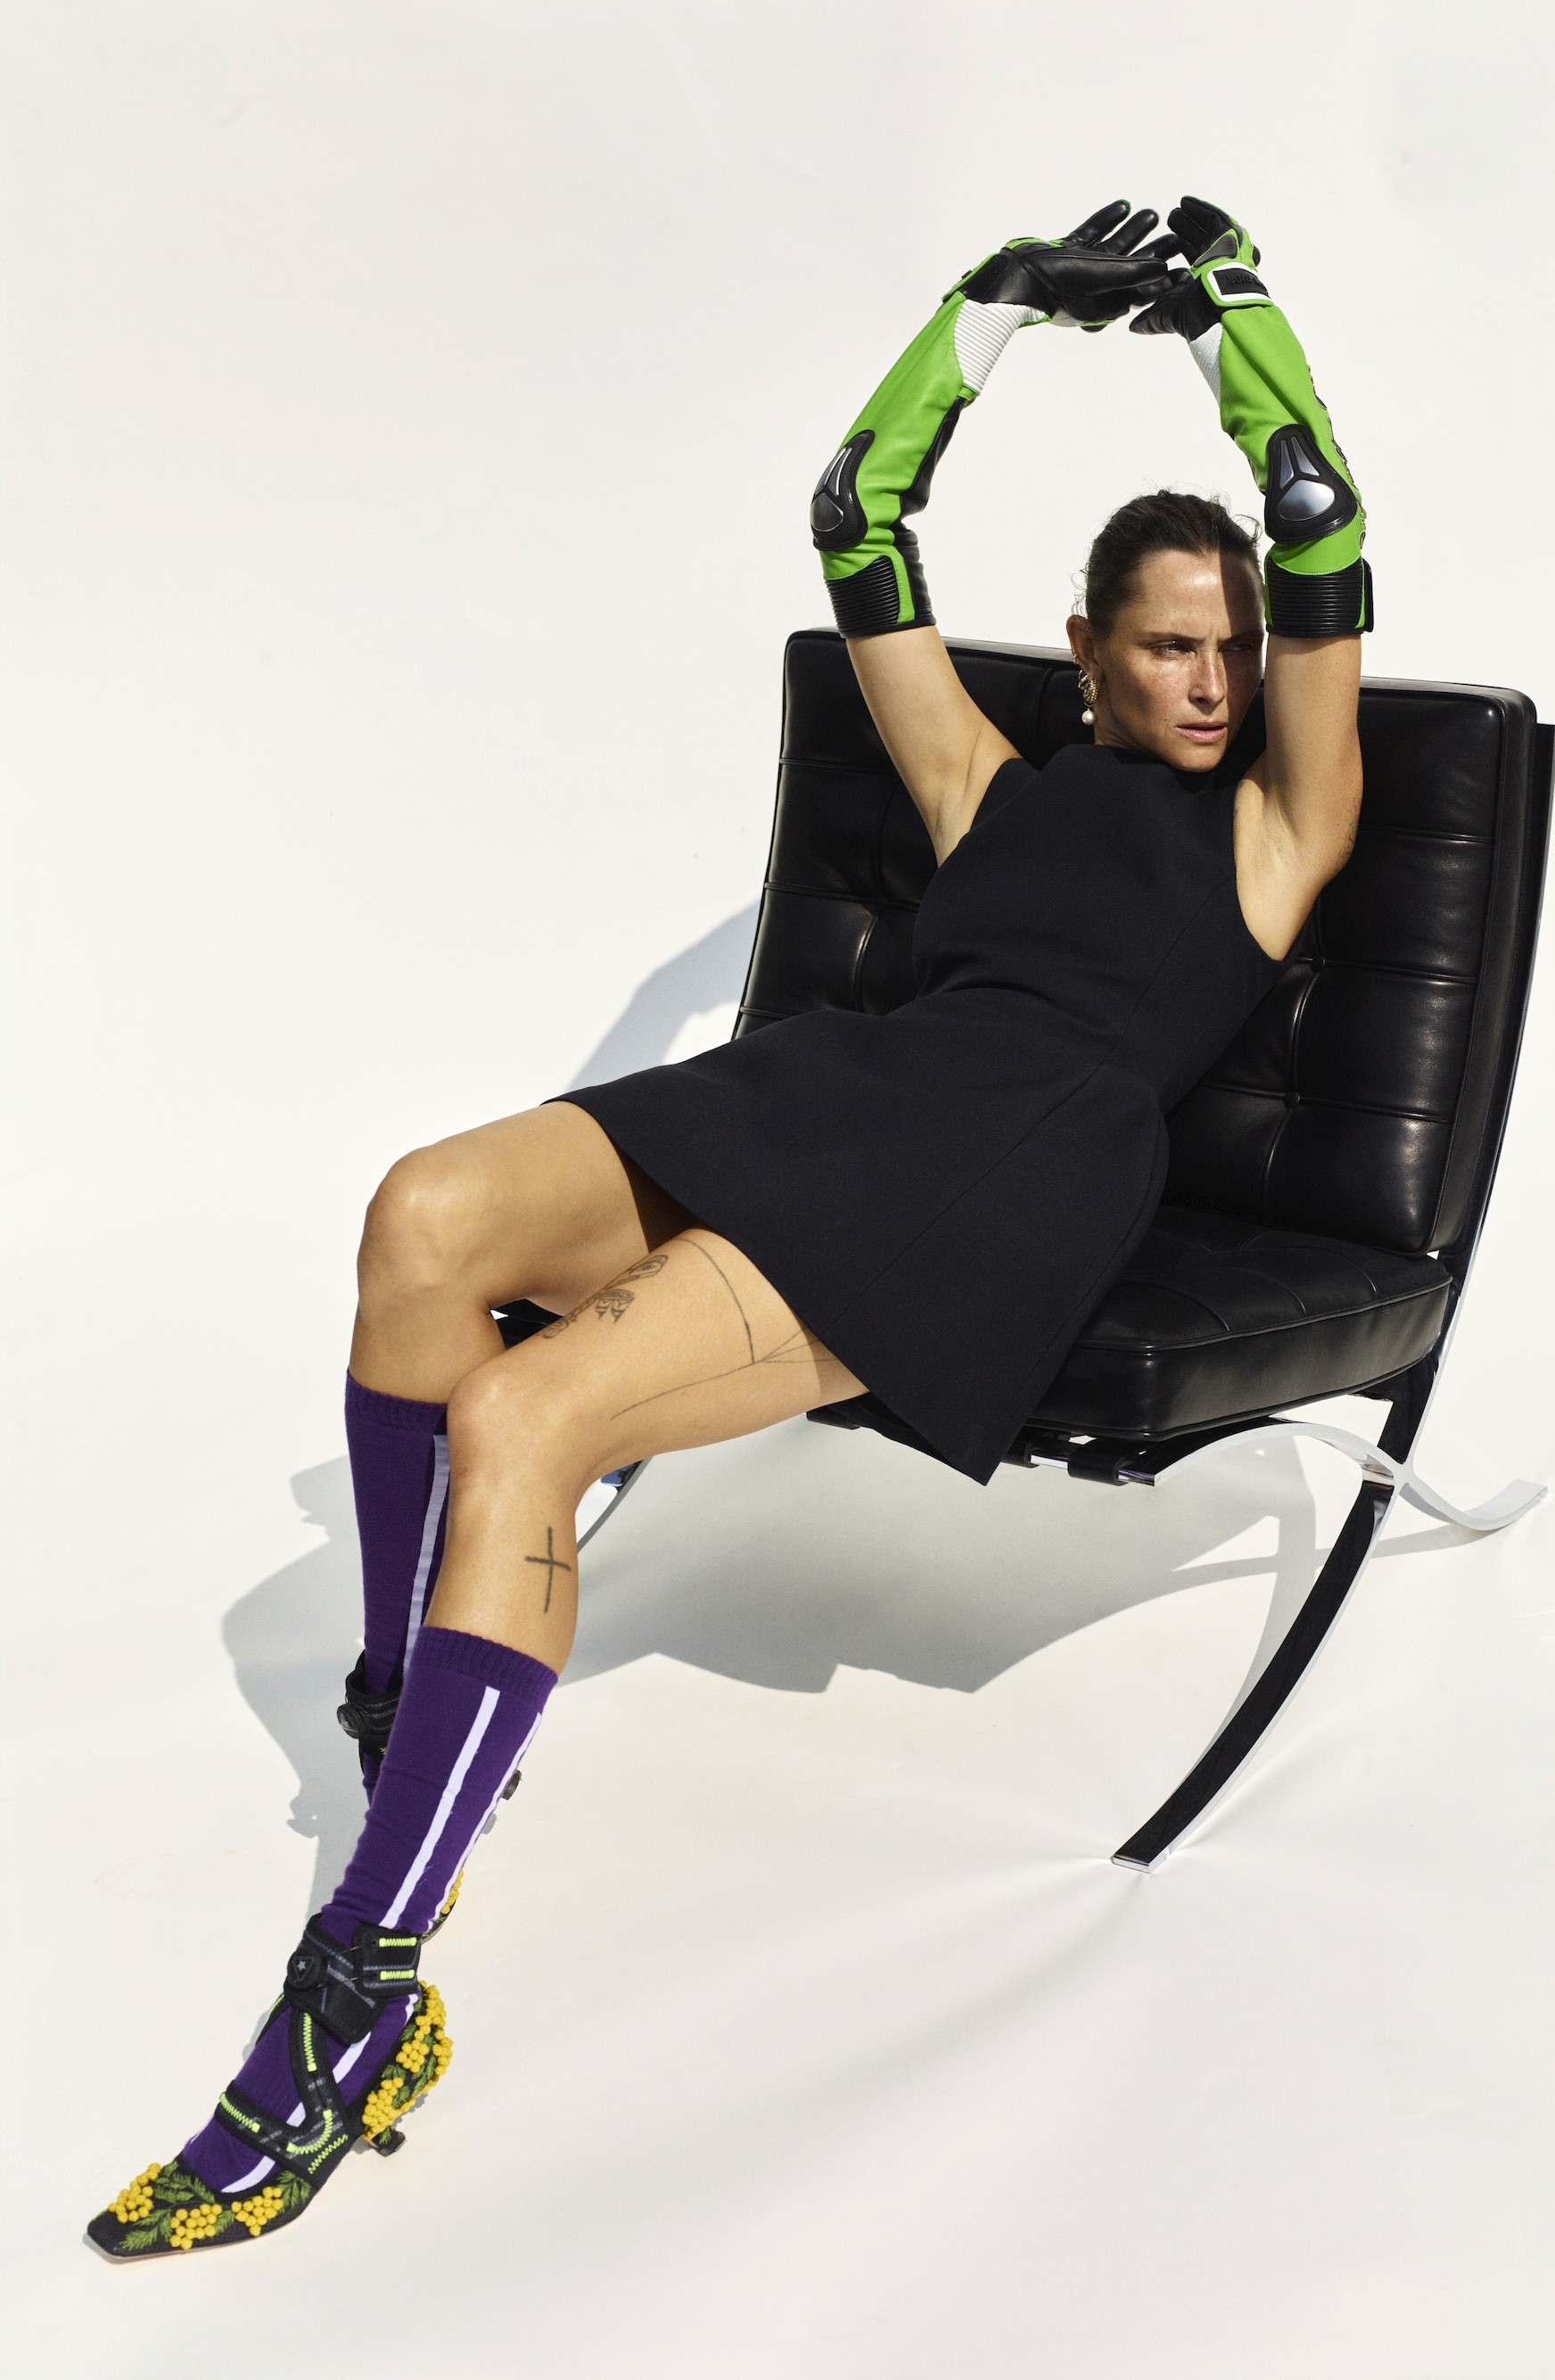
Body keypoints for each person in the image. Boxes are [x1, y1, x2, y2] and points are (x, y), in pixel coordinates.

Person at [88, 194, 1369, 2258]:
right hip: (841, 1091)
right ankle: (414, 1703)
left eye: (1234, 646)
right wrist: (987, 310)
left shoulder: (1280, 833)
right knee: (422, 1215)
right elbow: (858, 509)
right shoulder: (989, 783)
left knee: (526, 1420)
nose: (1215, 678)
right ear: (1091, 653)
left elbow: (1315, 519)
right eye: (1168, 643)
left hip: (998, 1173)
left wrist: (1232, 320)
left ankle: (358, 1999)